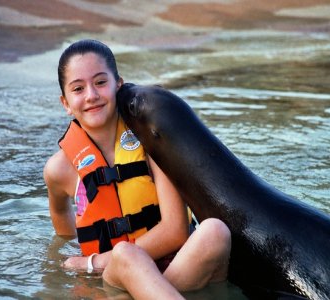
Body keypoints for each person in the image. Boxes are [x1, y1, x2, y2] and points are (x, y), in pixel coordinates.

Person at [43, 39, 231, 299]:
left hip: (175, 270)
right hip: (117, 278)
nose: (91, 95)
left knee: (215, 232)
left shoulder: (151, 143)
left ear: (118, 85)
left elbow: (175, 230)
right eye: (78, 88)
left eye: (100, 82)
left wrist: (92, 263)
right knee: (125, 254)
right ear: (65, 102)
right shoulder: (58, 170)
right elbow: (63, 233)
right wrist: (76, 265)